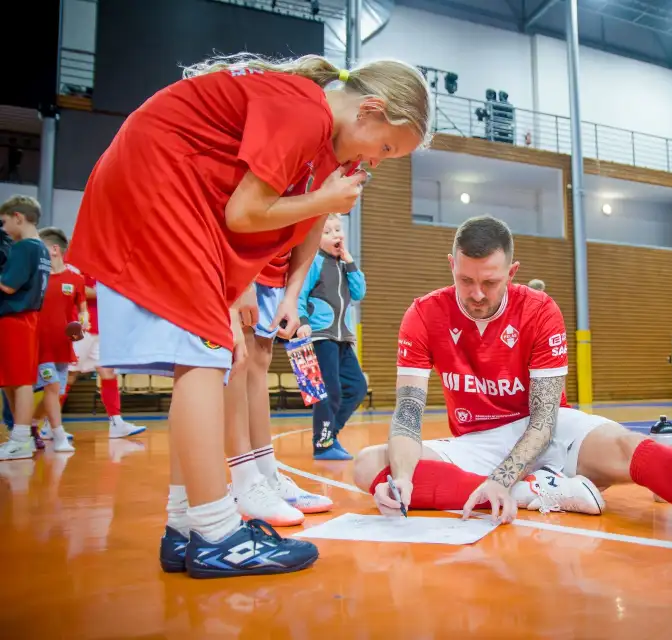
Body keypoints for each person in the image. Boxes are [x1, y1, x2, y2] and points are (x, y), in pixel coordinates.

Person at [65, 52, 431, 579]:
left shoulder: (334, 143)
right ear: (370, 111)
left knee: (211, 355)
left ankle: (186, 526)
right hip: (158, 183)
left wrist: (286, 291)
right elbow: (244, 212)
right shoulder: (303, 111)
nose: (378, 159)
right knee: (207, 357)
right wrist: (321, 202)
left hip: (182, 195)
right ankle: (217, 534)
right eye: (387, 146)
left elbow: (312, 215)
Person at [354, 215, 672, 557]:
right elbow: (408, 415)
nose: (477, 294)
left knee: (630, 446)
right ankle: (539, 492)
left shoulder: (539, 311)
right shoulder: (423, 313)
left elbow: (545, 420)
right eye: (466, 281)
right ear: (450, 266)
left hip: (548, 431)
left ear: (512, 273)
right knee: (368, 465)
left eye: (491, 282)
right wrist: (401, 479)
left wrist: (502, 478)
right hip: (479, 443)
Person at [225, 241, 334, 527]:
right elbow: (241, 216)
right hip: (244, 260)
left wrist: (291, 295)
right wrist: (242, 277)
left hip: (274, 269)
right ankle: (244, 479)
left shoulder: (320, 201)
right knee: (239, 356)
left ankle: (266, 473)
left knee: (261, 357)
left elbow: (303, 240)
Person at [295, 213, 368, 460]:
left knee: (357, 387)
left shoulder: (344, 265)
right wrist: (302, 322)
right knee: (328, 391)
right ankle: (323, 444)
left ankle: (330, 435)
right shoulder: (314, 262)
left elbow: (359, 293)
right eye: (327, 232)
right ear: (315, 238)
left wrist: (350, 262)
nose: (335, 235)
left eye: (338, 230)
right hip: (320, 337)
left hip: (342, 338)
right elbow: (298, 295)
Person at [63, 271, 147, 439]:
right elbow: (78, 288)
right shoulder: (79, 261)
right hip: (81, 327)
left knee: (108, 373)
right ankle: (47, 424)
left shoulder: (103, 264)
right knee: (68, 376)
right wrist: (110, 291)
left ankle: (116, 422)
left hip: (102, 328)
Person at [0, 196, 51, 462]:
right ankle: (20, 437)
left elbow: (8, 286)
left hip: (16, 318)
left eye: (5, 222)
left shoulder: (23, 248)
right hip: (28, 318)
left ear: (18, 217)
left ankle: (20, 438)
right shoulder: (42, 248)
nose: (4, 229)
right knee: (12, 378)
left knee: (19, 380)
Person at [28, 227, 86, 454]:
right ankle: (59, 435)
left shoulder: (76, 279)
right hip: (39, 345)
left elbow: (82, 309)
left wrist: (83, 320)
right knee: (52, 386)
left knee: (57, 391)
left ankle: (32, 425)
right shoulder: (35, 278)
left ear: (54, 250)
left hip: (63, 345)